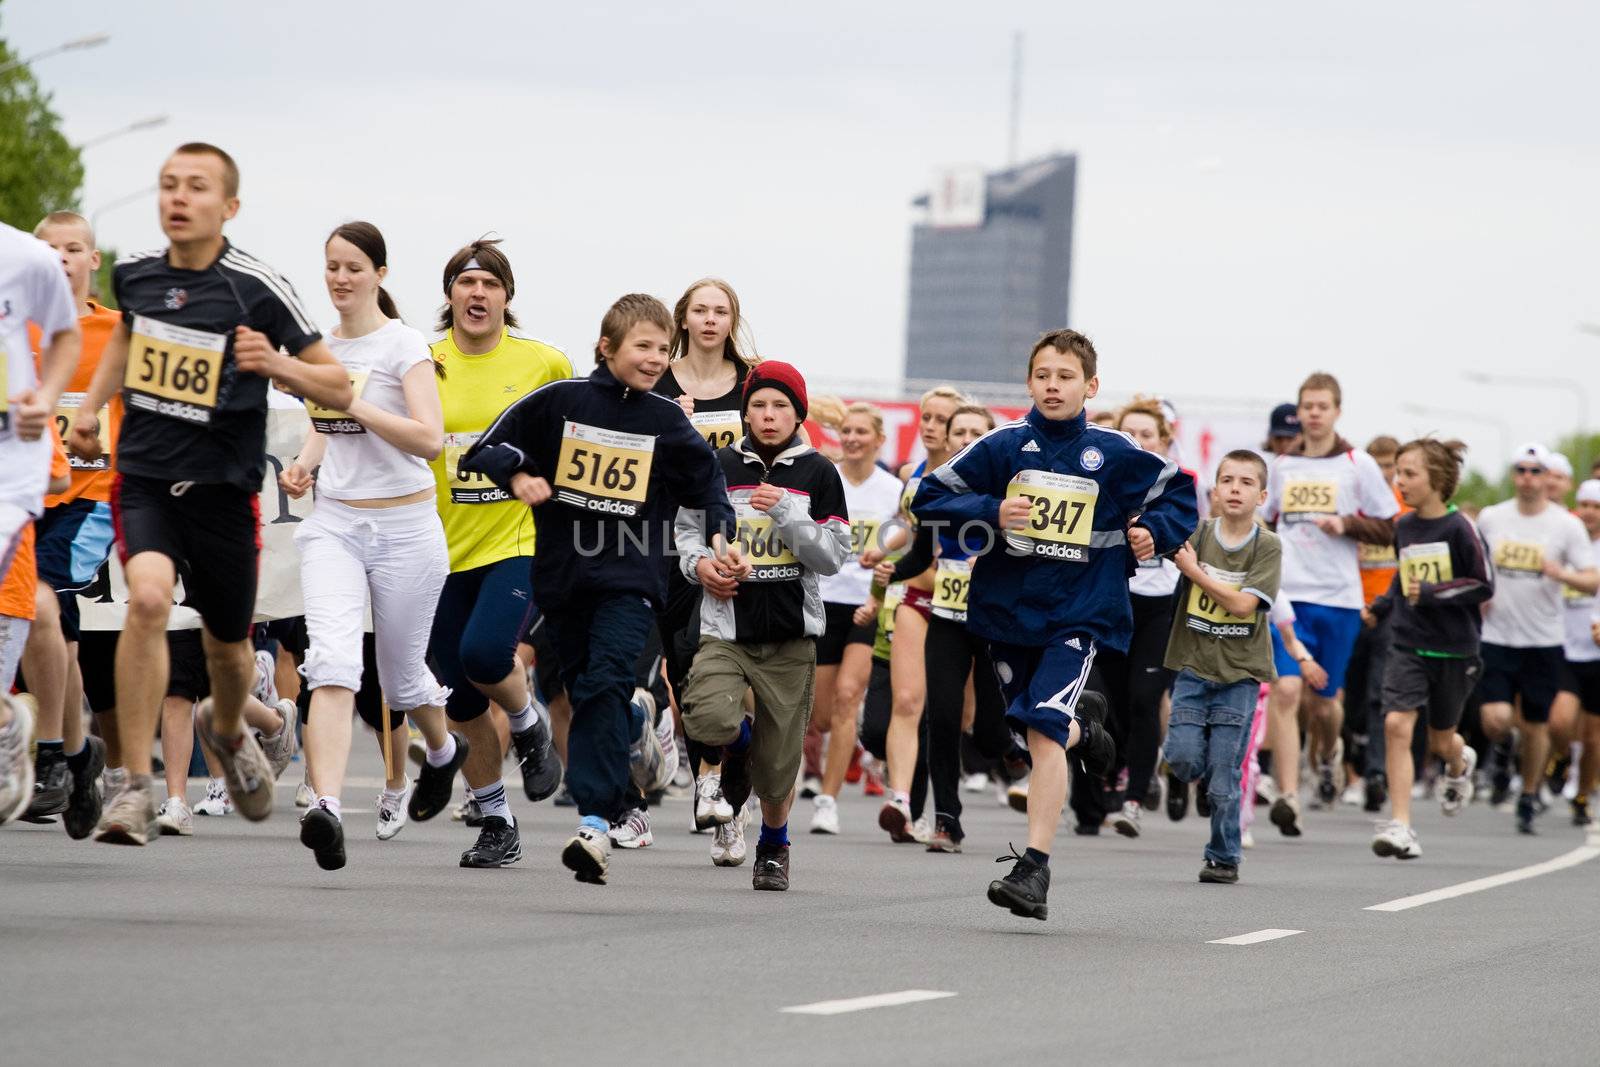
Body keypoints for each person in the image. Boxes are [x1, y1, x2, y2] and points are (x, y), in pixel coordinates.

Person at [65, 144, 343, 844]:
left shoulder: (257, 286)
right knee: (149, 600)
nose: (177, 198)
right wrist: (90, 409)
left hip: (224, 494)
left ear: (230, 207)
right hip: (147, 480)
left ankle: (228, 728)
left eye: (195, 187)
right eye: (167, 185)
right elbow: (127, 342)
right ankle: (133, 786)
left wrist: (274, 362)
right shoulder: (138, 276)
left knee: (227, 654)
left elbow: (337, 385)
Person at [914, 328, 1197, 920]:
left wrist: (1154, 533)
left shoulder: (1114, 450)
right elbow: (929, 496)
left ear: (1090, 386)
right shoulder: (1003, 445)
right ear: (1028, 382)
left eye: (1065, 376)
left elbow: (1180, 495)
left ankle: (1034, 869)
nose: (1052, 385)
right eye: (1043, 375)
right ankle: (1086, 733)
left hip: (1081, 612)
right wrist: (992, 509)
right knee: (1029, 735)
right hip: (1006, 613)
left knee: (1041, 727)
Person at [462, 293, 735, 885]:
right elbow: (483, 449)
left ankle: (595, 824)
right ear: (607, 347)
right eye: (643, 346)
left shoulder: (666, 421)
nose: (656, 358)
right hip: (562, 582)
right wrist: (519, 473)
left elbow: (709, 485)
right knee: (591, 695)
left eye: (665, 349)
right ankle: (638, 730)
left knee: (606, 682)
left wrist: (720, 535)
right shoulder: (561, 402)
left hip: (632, 581)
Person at [278, 222, 466, 870]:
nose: (339, 277)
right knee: (330, 658)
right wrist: (303, 462)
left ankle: (442, 752)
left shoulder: (403, 343)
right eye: (331, 265)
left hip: (407, 527)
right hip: (334, 523)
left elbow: (428, 438)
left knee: (403, 677)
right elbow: (326, 428)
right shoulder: (320, 346)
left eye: (353, 266)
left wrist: (355, 404)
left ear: (380, 273)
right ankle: (325, 807)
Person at [676, 360, 850, 890]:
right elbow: (687, 533)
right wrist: (701, 566)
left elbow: (833, 557)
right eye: (758, 405)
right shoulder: (717, 465)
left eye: (779, 406)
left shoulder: (819, 473)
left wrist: (789, 517)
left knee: (778, 770)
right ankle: (737, 743)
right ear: (745, 411)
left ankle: (774, 846)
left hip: (791, 637)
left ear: (798, 412)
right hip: (726, 627)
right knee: (707, 716)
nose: (768, 416)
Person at [426, 238, 569, 868]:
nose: (477, 294)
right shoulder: (420, 361)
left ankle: (530, 722)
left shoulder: (543, 363)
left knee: (487, 654)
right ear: (450, 294)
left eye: (490, 284)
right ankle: (496, 821)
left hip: (516, 539)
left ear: (507, 298)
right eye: (465, 283)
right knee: (455, 696)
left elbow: (586, 425)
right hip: (435, 548)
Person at [1261, 372, 1398, 836]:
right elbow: (1265, 524)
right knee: (1286, 690)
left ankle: (1329, 753)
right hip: (1289, 594)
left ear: (1337, 411)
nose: (1314, 413)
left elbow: (1391, 528)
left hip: (1339, 598)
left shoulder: (1358, 465)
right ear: (1299, 412)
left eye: (1323, 406)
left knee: (1325, 705)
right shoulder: (1281, 467)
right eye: (1308, 406)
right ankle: (1289, 795)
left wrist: (1348, 525)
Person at [18, 211, 117, 834]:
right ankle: (83, 758)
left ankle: (52, 755)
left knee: (42, 605)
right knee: (60, 637)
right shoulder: (15, 331)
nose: (60, 258)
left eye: (72, 248)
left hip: (95, 498)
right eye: (47, 249)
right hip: (28, 498)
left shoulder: (117, 332)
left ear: (92, 260)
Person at [652, 277, 757, 840]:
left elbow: (775, 444)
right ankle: (711, 774)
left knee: (704, 662)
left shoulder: (749, 385)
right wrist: (669, 424)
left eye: (721, 311)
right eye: (701, 310)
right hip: (662, 540)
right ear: (683, 320)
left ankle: (713, 787)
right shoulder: (660, 384)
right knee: (678, 667)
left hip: (728, 542)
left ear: (731, 321)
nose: (711, 320)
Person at [905, 403, 1026, 851]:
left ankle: (1011, 751)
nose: (967, 439)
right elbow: (918, 556)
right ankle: (946, 820)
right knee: (942, 715)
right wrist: (885, 573)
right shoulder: (937, 492)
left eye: (978, 432)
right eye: (961, 432)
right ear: (950, 439)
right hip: (947, 619)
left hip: (995, 621)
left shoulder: (1011, 490)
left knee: (993, 732)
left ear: (991, 439)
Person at [1365, 439, 1493, 860]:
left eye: (1409, 474)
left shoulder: (1460, 529)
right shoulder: (1404, 526)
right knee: (1397, 724)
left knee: (1442, 742)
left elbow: (1482, 583)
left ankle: (1459, 764)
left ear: (1437, 480)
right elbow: (1405, 576)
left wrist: (1435, 592)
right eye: (1398, 473)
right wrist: (1381, 607)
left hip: (1454, 650)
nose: (1399, 482)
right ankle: (1401, 825)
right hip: (1407, 642)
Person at [1162, 450, 1281, 883]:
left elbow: (1243, 604)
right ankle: (1177, 775)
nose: (1235, 488)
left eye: (1246, 482)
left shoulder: (1266, 546)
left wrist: (1194, 572)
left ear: (1262, 495)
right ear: (1214, 491)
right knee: (1184, 759)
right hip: (1193, 666)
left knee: (1223, 777)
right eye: (1227, 480)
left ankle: (1223, 856)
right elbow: (1156, 538)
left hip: (1239, 674)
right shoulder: (1198, 533)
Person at [0, 218, 81, 825]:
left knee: (49, 613)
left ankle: (35, 738)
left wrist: (44, 404)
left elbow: (57, 476)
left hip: (32, 509)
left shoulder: (25, 264)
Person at [1476, 443, 1598, 833]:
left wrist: (1562, 575)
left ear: (1548, 479)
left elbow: (1592, 579)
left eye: (1535, 471)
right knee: (1495, 719)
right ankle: (1504, 748)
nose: (1527, 478)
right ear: (1515, 476)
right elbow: (1473, 566)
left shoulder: (1566, 525)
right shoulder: (1493, 518)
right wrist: (1477, 595)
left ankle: (1529, 793)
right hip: (1496, 634)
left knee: (1538, 724)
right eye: (1521, 470)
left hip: (1544, 639)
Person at [876, 384, 965, 843]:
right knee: (908, 702)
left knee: (955, 718)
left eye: (941, 420)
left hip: (964, 606)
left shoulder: (978, 477)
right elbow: (906, 528)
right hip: (915, 598)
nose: (930, 427)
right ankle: (901, 801)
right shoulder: (913, 473)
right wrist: (879, 554)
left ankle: (947, 809)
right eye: (925, 417)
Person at [809, 402, 903, 835]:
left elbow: (897, 554)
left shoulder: (891, 491)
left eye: (862, 432)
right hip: (824, 599)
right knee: (823, 715)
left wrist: (879, 597)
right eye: (846, 431)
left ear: (879, 440)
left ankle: (827, 801)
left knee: (847, 697)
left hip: (866, 605)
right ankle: (851, 744)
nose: (852, 438)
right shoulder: (825, 480)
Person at [1098, 397, 1181, 839]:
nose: (1138, 441)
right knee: (1112, 703)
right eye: (1129, 434)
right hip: (1112, 602)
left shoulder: (1178, 486)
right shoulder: (1106, 481)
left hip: (1159, 605)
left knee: (1145, 698)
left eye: (1147, 434)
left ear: (1163, 441)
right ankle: (1126, 771)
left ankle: (1133, 798)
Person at [1560, 479, 1600, 825]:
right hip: (1562, 647)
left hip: (1596, 654)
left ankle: (1583, 794)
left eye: (1596, 507)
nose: (1589, 512)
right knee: (1559, 722)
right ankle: (1558, 759)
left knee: (1592, 737)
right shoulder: (1565, 542)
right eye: (1584, 505)